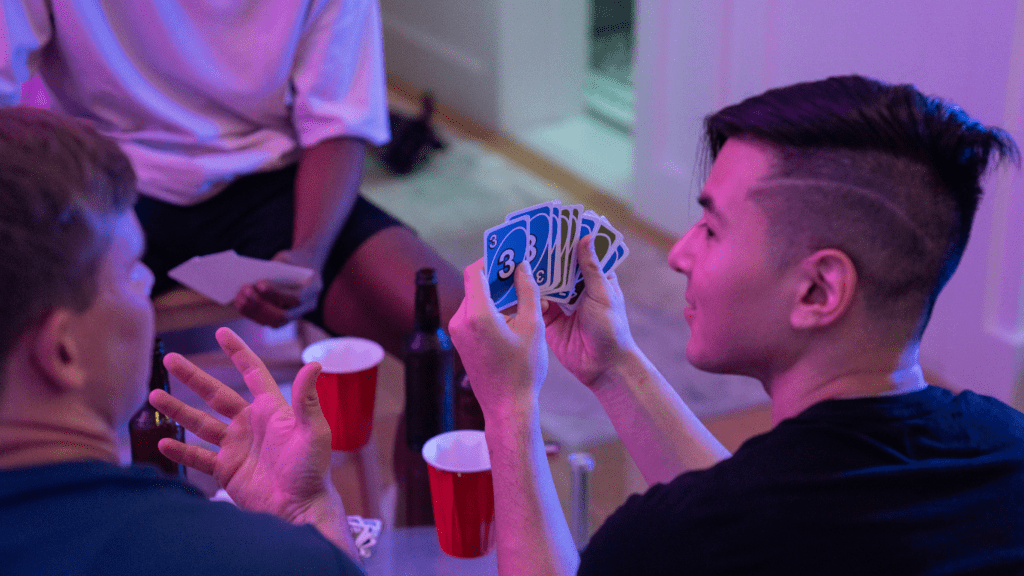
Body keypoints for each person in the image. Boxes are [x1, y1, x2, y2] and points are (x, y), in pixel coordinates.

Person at [448, 75, 1024, 575]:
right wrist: (613, 366)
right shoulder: (1009, 448)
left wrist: (509, 408)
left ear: (819, 290)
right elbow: (765, 520)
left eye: (713, 229)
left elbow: (732, 530)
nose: (679, 254)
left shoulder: (672, 544)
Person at [0, 107, 364, 574]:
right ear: (63, 350)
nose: (150, 282)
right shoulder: (276, 562)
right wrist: (309, 520)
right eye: (133, 273)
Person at [0, 0, 464, 361]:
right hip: (103, 179)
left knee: (465, 345)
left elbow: (337, 123)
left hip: (267, 179)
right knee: (35, 343)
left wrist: (307, 256)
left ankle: (425, 480)